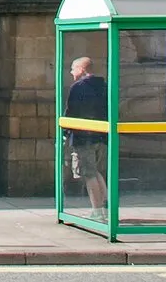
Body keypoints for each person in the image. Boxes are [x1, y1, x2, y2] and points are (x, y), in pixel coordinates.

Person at [66, 55, 109, 219]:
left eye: (73, 69)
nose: (71, 72)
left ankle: (97, 211)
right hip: (101, 136)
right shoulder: (103, 85)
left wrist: (65, 132)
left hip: (83, 137)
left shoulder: (78, 87)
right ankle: (105, 208)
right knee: (96, 171)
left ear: (81, 69)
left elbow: (71, 112)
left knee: (89, 173)